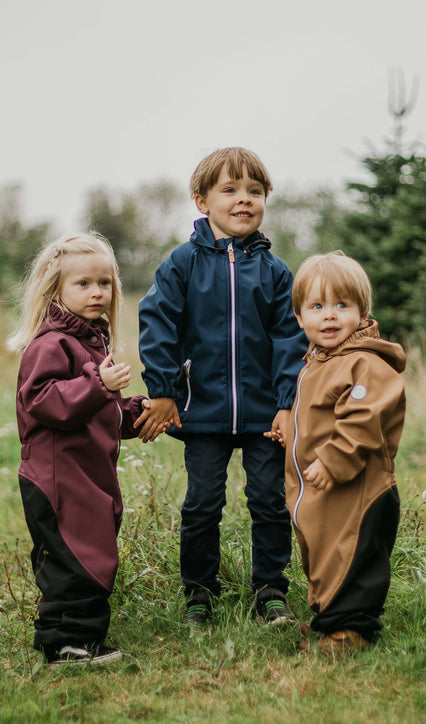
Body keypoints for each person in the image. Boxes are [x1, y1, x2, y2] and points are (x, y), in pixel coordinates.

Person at [137, 147, 308, 624]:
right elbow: (157, 324)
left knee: (269, 501)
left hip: (261, 413)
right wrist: (165, 389)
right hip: (203, 408)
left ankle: (271, 591)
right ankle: (198, 593)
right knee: (202, 503)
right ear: (201, 201)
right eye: (229, 190)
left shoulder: (275, 272)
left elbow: (290, 338)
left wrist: (286, 402)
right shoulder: (182, 264)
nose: (243, 200)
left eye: (254, 191)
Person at [7, 232, 154, 668]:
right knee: (71, 559)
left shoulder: (92, 340)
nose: (97, 292)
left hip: (88, 475)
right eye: (83, 283)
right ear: (56, 290)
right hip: (58, 479)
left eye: (104, 283)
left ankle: (84, 639)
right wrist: (98, 385)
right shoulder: (51, 343)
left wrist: (134, 411)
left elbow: (95, 409)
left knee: (94, 551)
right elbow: (42, 401)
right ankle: (64, 644)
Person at [270, 251, 406, 652]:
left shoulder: (363, 363)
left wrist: (333, 459)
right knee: (325, 553)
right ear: (299, 318)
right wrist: (289, 431)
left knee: (352, 555)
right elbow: (319, 414)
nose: (329, 316)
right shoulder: (317, 361)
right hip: (321, 488)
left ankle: (349, 632)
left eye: (341, 305)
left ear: (362, 313)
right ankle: (330, 619)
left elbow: (364, 418)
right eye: (316, 306)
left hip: (356, 486)